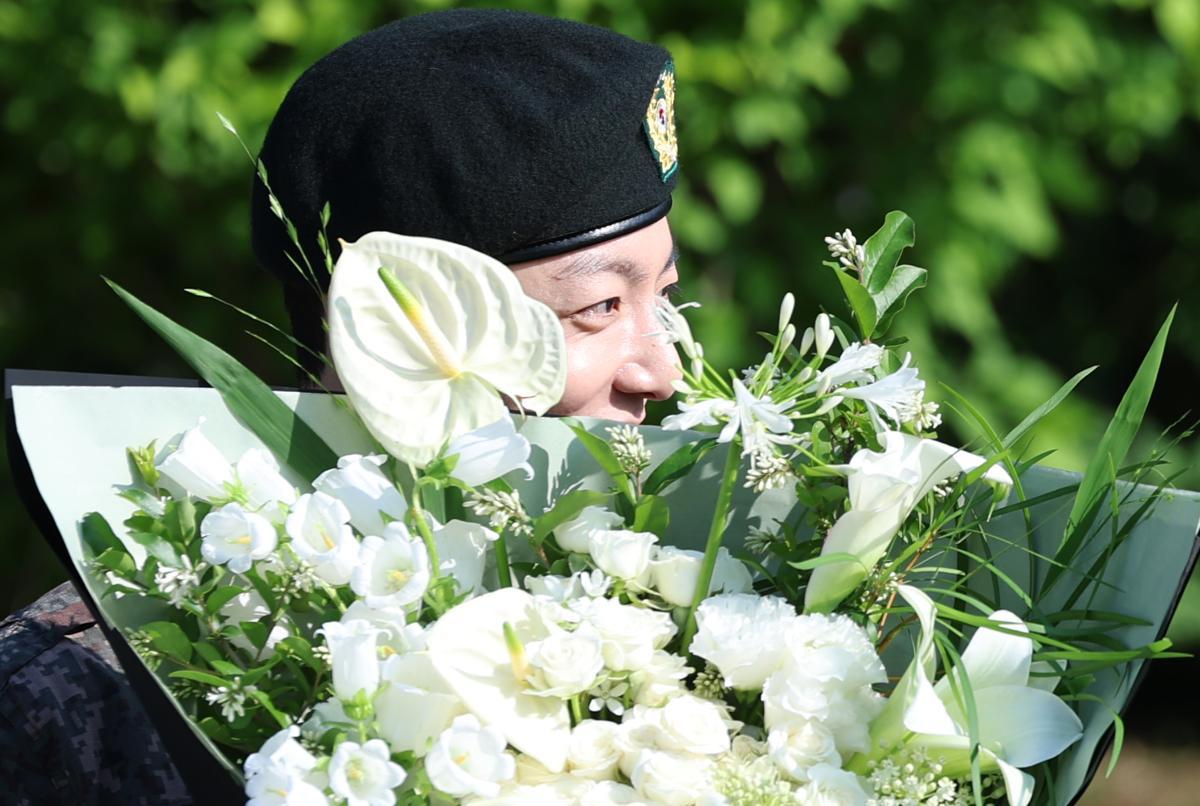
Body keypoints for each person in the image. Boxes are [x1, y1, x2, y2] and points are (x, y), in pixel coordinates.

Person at [0, 8, 683, 803]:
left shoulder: (675, 617)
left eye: (665, 295)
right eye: (599, 307)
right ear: (392, 331)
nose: (662, 372)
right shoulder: (83, 692)